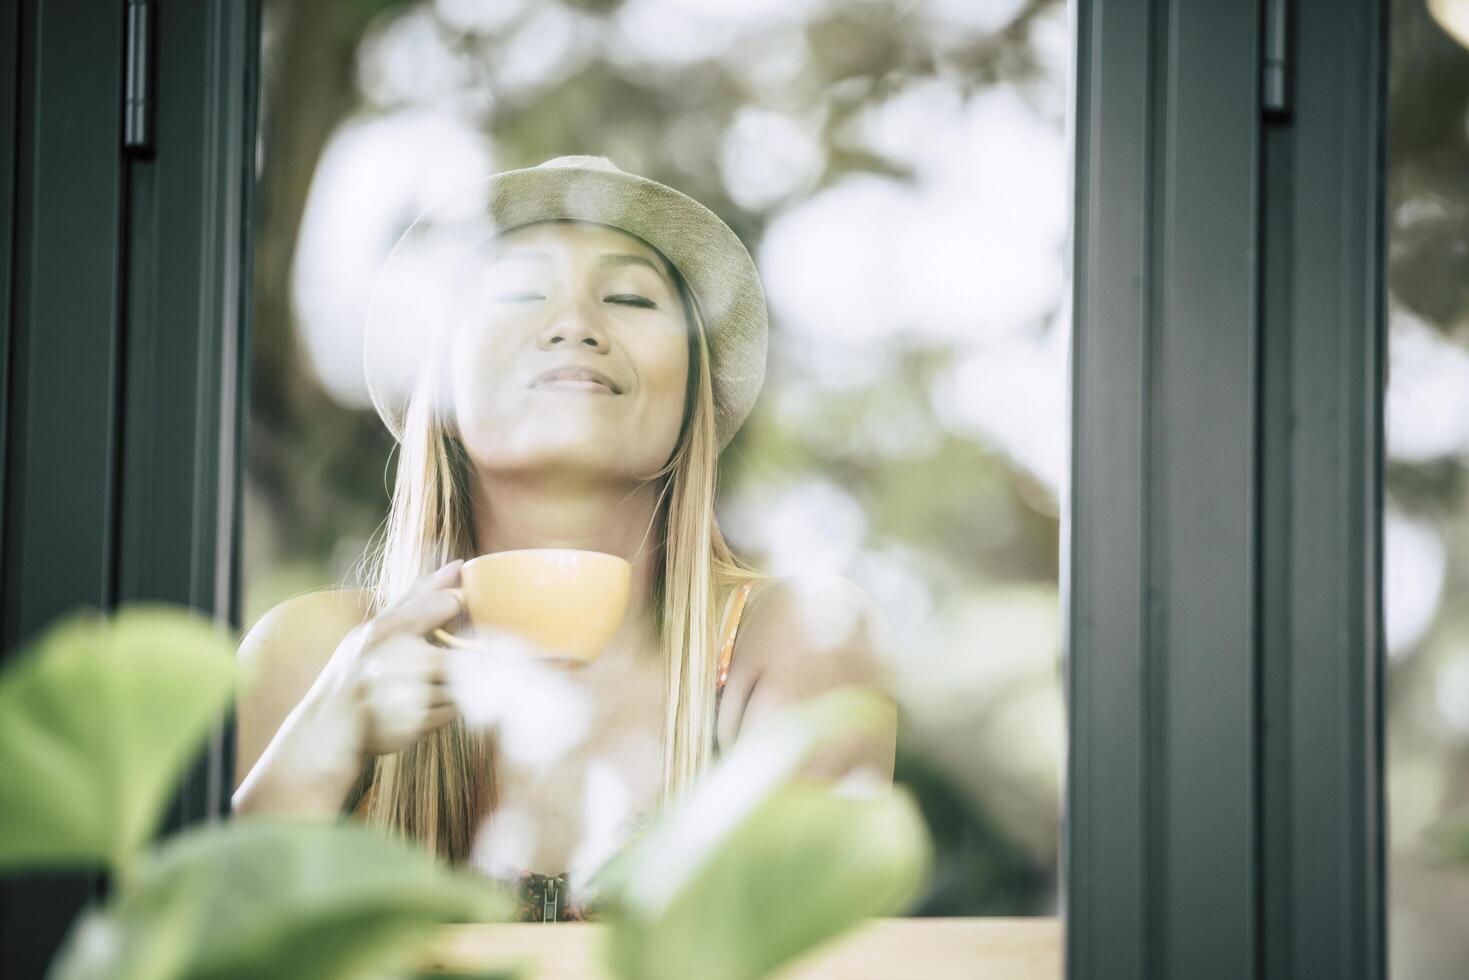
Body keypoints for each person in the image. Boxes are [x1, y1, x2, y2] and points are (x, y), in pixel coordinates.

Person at [231, 156, 897, 921]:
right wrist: (314, 758)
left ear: (693, 400)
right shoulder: (310, 653)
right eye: (517, 292)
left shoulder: (794, 645)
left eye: (628, 298)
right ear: (441, 384)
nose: (576, 324)